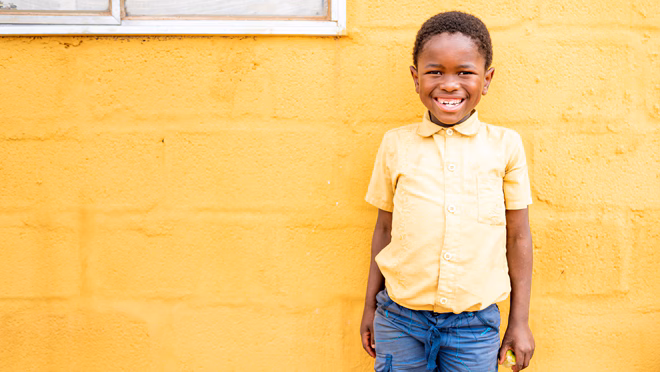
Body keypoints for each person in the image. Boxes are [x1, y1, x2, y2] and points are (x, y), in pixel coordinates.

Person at [359, 11, 535, 372]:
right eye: (435, 71)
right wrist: (369, 307)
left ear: (486, 80)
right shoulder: (395, 145)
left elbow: (518, 237)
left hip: (474, 326)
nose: (450, 84)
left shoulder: (506, 146)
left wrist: (519, 320)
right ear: (416, 77)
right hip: (399, 320)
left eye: (465, 72)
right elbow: (383, 230)